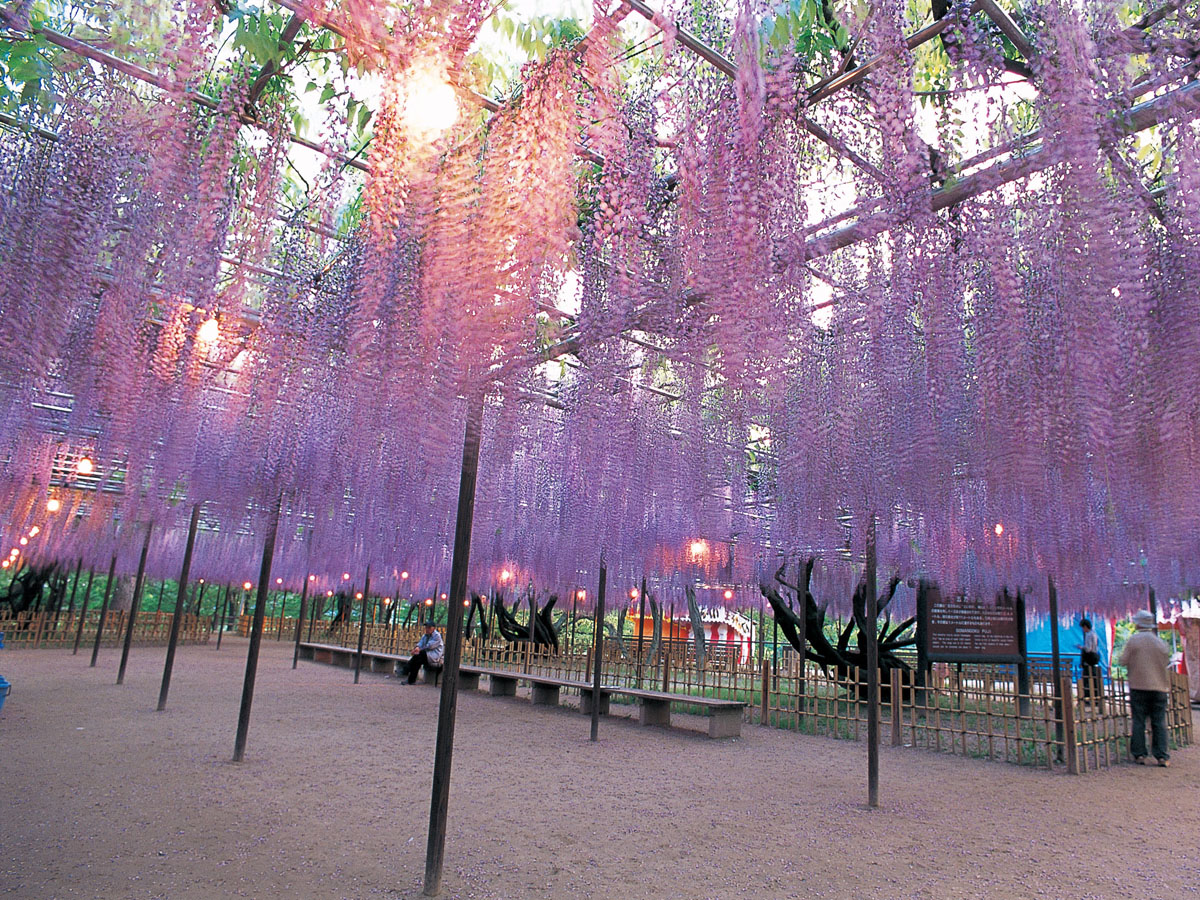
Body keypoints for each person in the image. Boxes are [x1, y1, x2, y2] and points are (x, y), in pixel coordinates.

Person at [1118, 610, 1172, 766]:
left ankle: (1140, 754)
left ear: (1138, 623)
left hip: (1139, 686)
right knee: (1159, 722)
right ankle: (1162, 756)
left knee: (1139, 721)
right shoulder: (1160, 642)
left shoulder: (1134, 641)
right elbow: (1166, 661)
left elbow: (1123, 660)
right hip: (1159, 688)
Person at [1078, 618, 1101, 703]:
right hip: (1095, 657)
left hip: (1089, 658)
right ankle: (1095, 696)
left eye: (1083, 628)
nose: (1083, 630)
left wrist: (1081, 647)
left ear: (1085, 627)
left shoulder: (1088, 635)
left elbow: (1088, 649)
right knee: (1093, 678)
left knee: (1087, 678)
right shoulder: (1094, 634)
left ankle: (1088, 697)